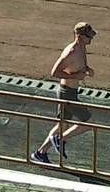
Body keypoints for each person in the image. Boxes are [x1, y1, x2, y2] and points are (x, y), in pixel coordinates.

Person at [32, 22, 98, 165]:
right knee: (88, 123)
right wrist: (76, 77)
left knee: (61, 125)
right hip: (67, 93)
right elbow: (54, 72)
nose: (91, 39)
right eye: (88, 36)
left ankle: (40, 153)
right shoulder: (71, 52)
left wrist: (87, 69)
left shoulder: (82, 47)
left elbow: (78, 66)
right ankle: (60, 139)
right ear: (79, 36)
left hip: (71, 92)